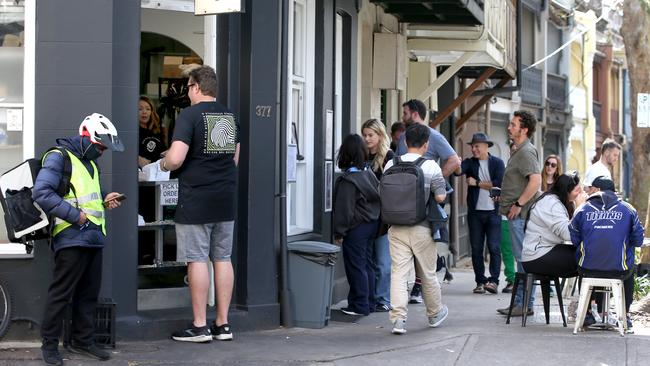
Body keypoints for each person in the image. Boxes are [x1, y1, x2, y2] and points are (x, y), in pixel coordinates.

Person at [33, 113, 125, 365]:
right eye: (100, 147)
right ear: (86, 137)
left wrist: (106, 196)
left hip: (93, 236)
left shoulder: (89, 162)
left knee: (88, 294)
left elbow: (88, 193)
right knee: (61, 294)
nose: (102, 152)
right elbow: (41, 193)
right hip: (71, 237)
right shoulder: (58, 157)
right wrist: (77, 217)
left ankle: (83, 341)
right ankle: (49, 345)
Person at [160, 65, 240, 343]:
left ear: (194, 87)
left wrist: (164, 161)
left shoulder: (190, 115)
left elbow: (177, 158)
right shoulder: (229, 116)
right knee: (222, 258)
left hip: (196, 198)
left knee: (196, 259)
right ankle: (223, 324)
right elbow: (234, 159)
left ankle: (199, 326)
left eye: (188, 88)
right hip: (225, 198)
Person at [384, 123, 449, 334]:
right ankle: (435, 313)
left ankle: (399, 320)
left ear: (404, 141)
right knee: (428, 273)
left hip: (395, 227)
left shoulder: (390, 164)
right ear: (426, 144)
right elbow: (440, 197)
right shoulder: (431, 166)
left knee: (399, 273)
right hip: (422, 227)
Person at [396, 99, 461, 302]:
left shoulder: (434, 136)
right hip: (404, 197)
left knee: (422, 242)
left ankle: (419, 286)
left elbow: (455, 160)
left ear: (415, 114)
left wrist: (434, 182)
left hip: (427, 200)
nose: (402, 117)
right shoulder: (404, 137)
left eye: (405, 113)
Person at [569, 176, 645, 332]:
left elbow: (575, 239)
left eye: (590, 189)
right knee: (629, 267)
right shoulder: (628, 209)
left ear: (597, 190)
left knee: (587, 263)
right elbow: (638, 241)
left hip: (587, 269)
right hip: (619, 271)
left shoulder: (582, 210)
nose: (588, 191)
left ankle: (587, 313)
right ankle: (626, 315)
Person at [496, 110, 542, 317]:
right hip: (515, 214)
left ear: (523, 130)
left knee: (524, 261)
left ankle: (524, 304)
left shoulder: (526, 152)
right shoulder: (519, 150)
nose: (509, 127)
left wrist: (518, 203)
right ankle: (522, 303)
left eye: (513, 125)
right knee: (522, 261)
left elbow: (535, 181)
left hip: (520, 216)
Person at [333, 134, 381, 316]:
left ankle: (359, 305)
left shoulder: (349, 181)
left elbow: (344, 210)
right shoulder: (368, 174)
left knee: (356, 266)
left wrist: (339, 232)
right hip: (371, 224)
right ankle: (368, 303)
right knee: (367, 265)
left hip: (355, 228)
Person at [455, 132, 505, 294]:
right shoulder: (470, 163)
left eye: (477, 146)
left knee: (494, 247)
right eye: (472, 146)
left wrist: (476, 183)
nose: (474, 149)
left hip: (493, 212)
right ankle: (480, 282)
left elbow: (498, 184)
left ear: (486, 146)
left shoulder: (497, 163)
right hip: (475, 213)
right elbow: (458, 172)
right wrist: (456, 163)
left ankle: (494, 281)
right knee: (476, 248)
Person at [521, 172, 587, 276]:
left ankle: (587, 291)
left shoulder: (561, 202)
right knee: (587, 258)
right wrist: (579, 208)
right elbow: (568, 234)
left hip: (547, 250)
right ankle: (586, 292)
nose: (581, 193)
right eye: (577, 190)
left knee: (588, 254)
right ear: (566, 191)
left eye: (581, 189)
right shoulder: (551, 203)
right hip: (537, 256)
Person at [361, 119, 394, 312]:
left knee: (382, 262)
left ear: (380, 135)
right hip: (364, 215)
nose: (366, 139)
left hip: (383, 218)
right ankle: (371, 297)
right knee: (368, 261)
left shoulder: (389, 157)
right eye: (364, 135)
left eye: (370, 135)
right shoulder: (362, 155)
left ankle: (383, 299)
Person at [138, 96, 166, 168]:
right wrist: (137, 159)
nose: (144, 112)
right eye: (140, 109)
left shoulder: (158, 130)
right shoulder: (132, 131)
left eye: (148, 109)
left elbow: (164, 151)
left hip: (159, 171)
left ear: (151, 112)